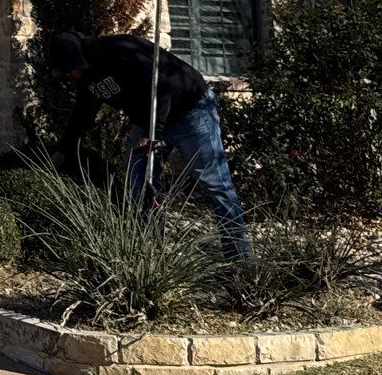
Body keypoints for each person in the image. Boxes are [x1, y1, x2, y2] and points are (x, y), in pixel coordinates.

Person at [42, 30, 249, 259]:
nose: (72, 74)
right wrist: (63, 149)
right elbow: (83, 112)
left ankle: (239, 259)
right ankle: (151, 256)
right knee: (139, 180)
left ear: (78, 57)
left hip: (189, 110)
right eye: (68, 72)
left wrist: (154, 133)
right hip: (149, 119)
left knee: (215, 184)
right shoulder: (86, 77)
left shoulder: (119, 50)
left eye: (72, 68)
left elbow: (160, 85)